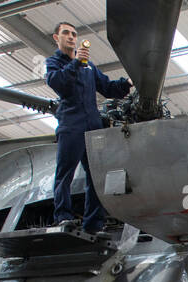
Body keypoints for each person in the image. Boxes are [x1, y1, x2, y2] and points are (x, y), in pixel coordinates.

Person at [44, 21, 133, 233]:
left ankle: (93, 223)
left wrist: (127, 83)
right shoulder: (54, 62)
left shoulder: (89, 67)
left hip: (93, 127)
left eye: (74, 34)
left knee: (96, 177)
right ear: (56, 38)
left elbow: (108, 87)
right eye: (66, 33)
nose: (71, 37)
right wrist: (76, 63)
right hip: (71, 125)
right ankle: (62, 216)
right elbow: (59, 84)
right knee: (65, 173)